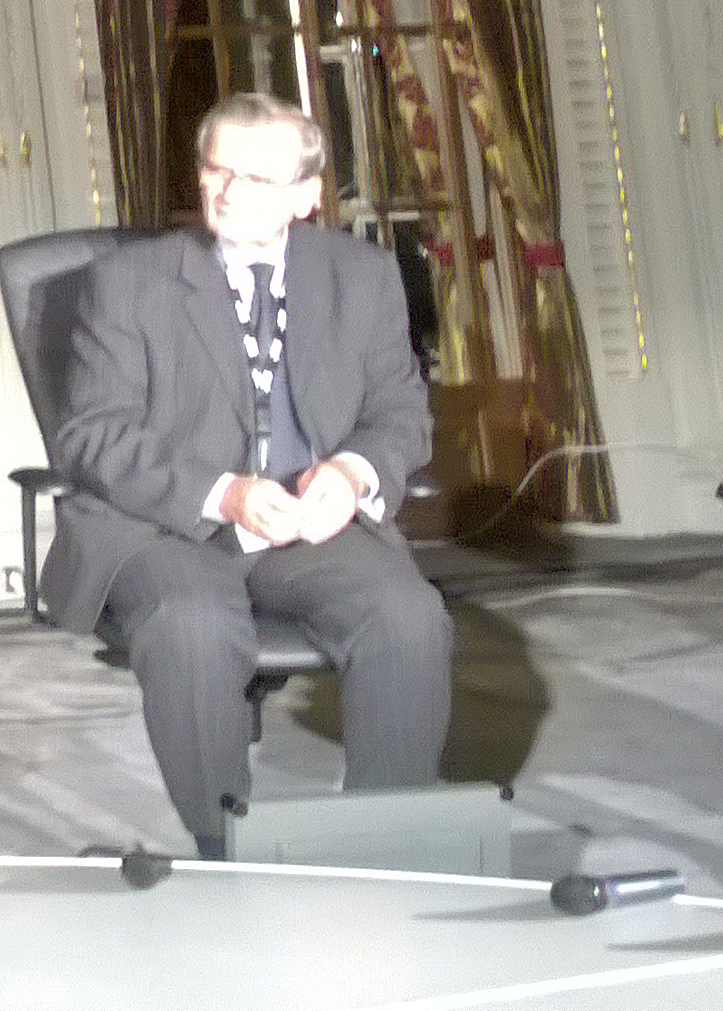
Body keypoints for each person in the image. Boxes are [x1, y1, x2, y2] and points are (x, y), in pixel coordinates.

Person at [42, 93, 447, 858]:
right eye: (215, 170)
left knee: (408, 617)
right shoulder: (128, 282)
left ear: (306, 195)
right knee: (192, 624)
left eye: (256, 179)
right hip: (166, 526)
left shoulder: (361, 276)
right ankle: (224, 849)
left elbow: (400, 411)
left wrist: (351, 473)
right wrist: (225, 494)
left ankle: (384, 847)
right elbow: (92, 435)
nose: (227, 192)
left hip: (305, 524)